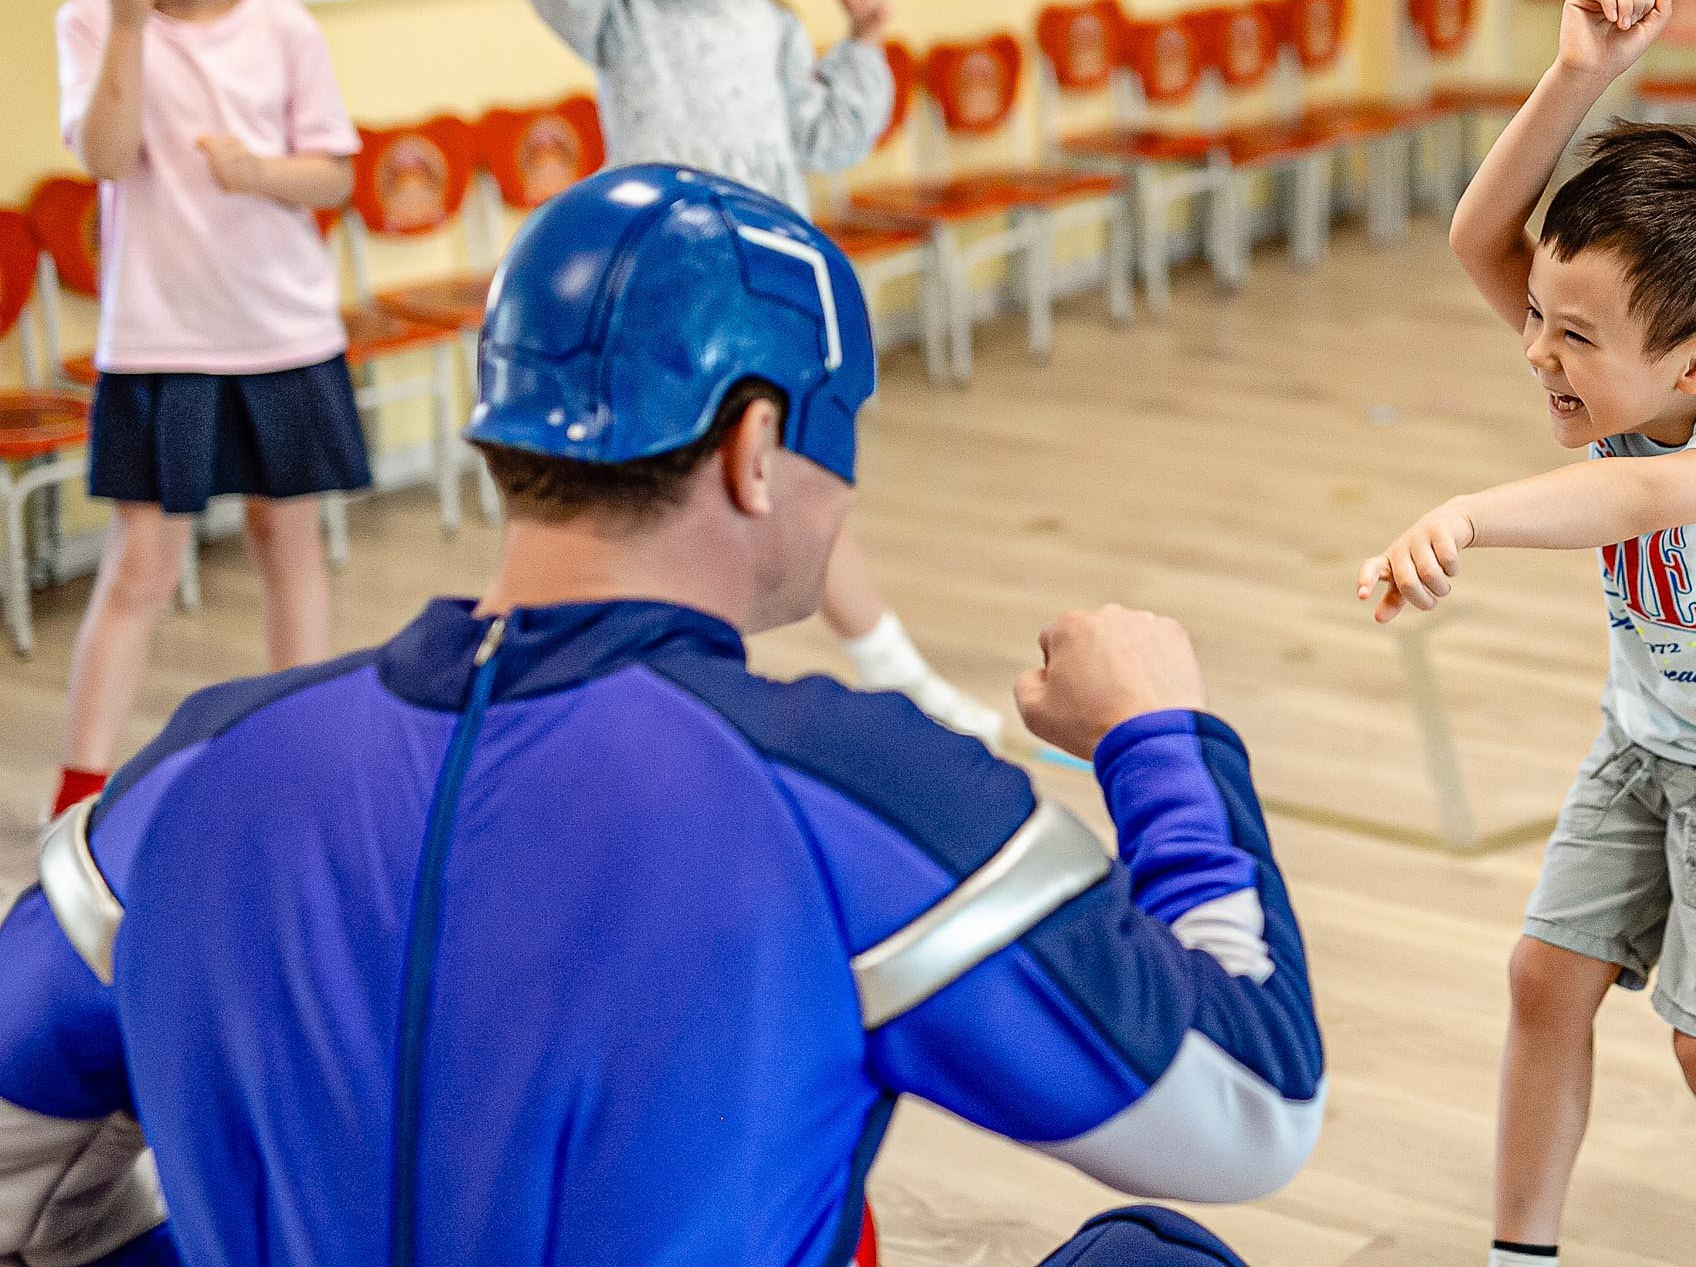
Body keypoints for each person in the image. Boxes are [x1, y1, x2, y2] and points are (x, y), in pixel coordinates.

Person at [0, 165, 1323, 1266]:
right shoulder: (847, 793)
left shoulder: (188, 774)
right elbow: (1250, 1111)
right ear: (755, 449)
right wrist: (1161, 743)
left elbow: (23, 1194)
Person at [1360, 0, 1696, 1267]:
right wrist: (1577, 76)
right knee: (1544, 977)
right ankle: (1516, 1255)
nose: (1535, 351)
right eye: (1537, 317)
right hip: (1649, 734)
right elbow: (1482, 240)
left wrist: (1472, 516)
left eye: (1567, 334)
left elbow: (1646, 496)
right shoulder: (1620, 343)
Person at [508, 0, 999, 744]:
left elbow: (827, 136)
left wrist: (861, 42)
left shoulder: (765, 23)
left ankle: (883, 681)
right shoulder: (614, 12)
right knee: (673, 515)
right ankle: (662, 703)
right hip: (660, 315)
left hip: (760, 311)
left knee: (779, 501)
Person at [48, 0, 369, 820]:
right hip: (161, 340)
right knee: (142, 561)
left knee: (291, 540)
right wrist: (130, 26)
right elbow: (103, 154)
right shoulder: (90, 25)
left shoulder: (284, 29)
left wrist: (263, 173)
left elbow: (334, 175)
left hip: (278, 330)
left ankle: (301, 747)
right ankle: (78, 786)